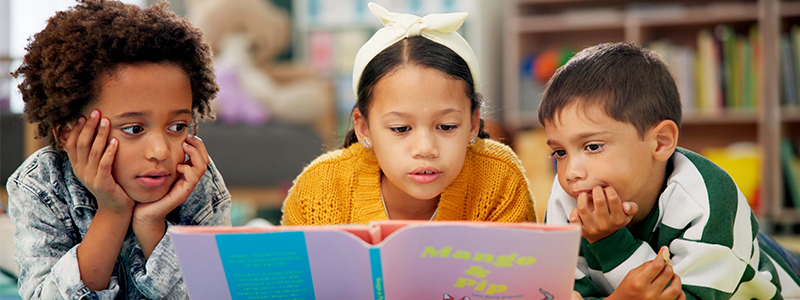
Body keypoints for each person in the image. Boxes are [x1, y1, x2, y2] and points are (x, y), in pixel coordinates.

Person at [7, 1, 231, 299]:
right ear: (69, 135)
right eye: (134, 129)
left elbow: (215, 293)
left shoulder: (194, 176)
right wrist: (113, 212)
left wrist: (151, 224)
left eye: (178, 126)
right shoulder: (39, 186)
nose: (161, 151)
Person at [542, 42, 800, 299]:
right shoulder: (566, 198)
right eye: (560, 153)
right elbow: (561, 293)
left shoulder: (707, 199)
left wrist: (609, 242)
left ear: (661, 142)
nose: (570, 173)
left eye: (593, 146)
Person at [281, 3, 536, 225]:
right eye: (401, 128)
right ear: (364, 128)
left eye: (446, 126)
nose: (425, 148)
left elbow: (524, 275)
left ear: (472, 123)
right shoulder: (317, 191)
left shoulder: (500, 180)